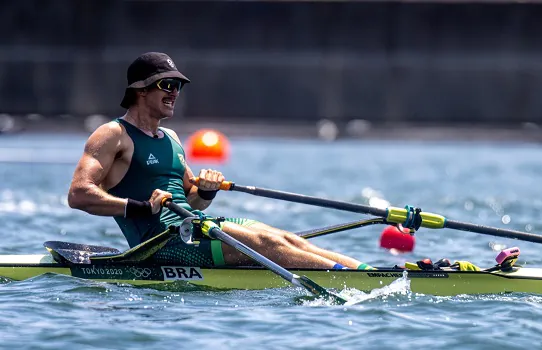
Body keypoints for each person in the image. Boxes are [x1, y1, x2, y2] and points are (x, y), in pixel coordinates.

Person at [67, 52, 374, 270]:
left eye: (178, 86)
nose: (175, 93)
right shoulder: (113, 134)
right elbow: (79, 194)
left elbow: (191, 202)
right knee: (268, 245)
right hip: (162, 245)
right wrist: (142, 207)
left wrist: (206, 192)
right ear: (140, 90)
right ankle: (353, 282)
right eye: (167, 85)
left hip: (194, 228)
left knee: (286, 238)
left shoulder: (172, 139)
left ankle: (370, 273)